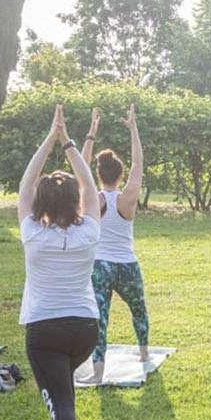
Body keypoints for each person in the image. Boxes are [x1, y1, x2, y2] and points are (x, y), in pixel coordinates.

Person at [17, 104, 102, 420]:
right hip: (85, 330)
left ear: (41, 203)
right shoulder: (90, 232)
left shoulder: (33, 232)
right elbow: (87, 185)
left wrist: (50, 138)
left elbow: (27, 181)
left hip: (46, 330)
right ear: (76, 202)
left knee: (61, 401)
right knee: (61, 387)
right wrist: (68, 143)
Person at [78, 105, 149, 383]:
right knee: (139, 311)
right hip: (127, 265)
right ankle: (144, 357)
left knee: (100, 320)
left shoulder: (93, 199)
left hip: (101, 266)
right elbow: (139, 165)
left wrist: (92, 132)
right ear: (120, 175)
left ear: (99, 175)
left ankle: (98, 372)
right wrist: (133, 129)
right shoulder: (127, 198)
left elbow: (79, 165)